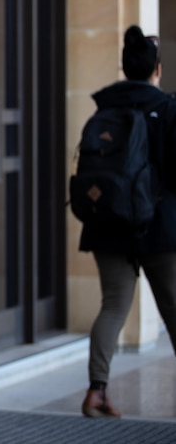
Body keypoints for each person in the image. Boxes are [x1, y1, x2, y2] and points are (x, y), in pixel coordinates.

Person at [78, 25, 176, 418]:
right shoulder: (167, 108)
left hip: (108, 225)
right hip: (160, 227)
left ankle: (96, 391)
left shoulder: (105, 109)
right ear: (158, 69)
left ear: (124, 67)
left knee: (113, 306)